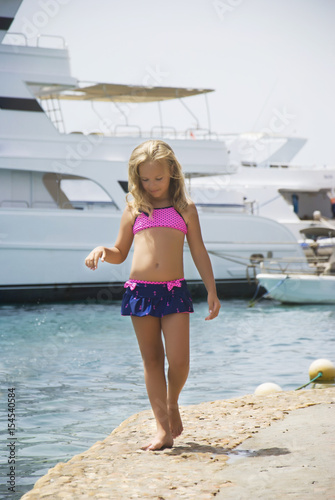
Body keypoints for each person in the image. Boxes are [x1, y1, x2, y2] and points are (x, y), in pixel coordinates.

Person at [85, 140, 221, 451]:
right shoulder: (134, 208)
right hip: (140, 293)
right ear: (136, 177)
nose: (152, 185)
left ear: (172, 172)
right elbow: (119, 252)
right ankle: (162, 430)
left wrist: (212, 290)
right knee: (152, 361)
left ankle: (173, 402)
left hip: (174, 291)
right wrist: (102, 250)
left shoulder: (184, 209)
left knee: (180, 361)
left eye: (158, 178)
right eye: (145, 179)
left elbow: (198, 250)